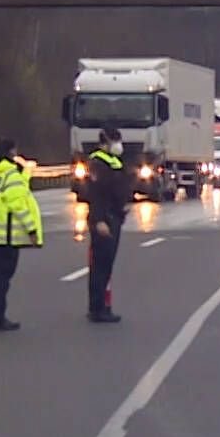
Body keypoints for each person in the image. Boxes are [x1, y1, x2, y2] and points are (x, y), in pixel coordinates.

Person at [0, 138, 43, 331]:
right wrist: (31, 230)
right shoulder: (10, 175)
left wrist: (25, 172)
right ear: (10, 153)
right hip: (6, 235)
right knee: (2, 279)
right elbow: (18, 204)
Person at [81, 126, 134, 323]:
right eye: (115, 141)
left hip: (114, 216)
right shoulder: (98, 164)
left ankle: (100, 306)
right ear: (105, 142)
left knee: (105, 265)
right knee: (101, 266)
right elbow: (97, 196)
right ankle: (97, 308)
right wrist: (99, 220)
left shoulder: (113, 162)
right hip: (105, 218)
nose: (118, 146)